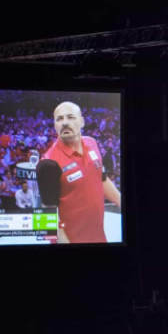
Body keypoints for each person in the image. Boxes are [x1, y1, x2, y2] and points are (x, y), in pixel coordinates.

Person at [34, 99, 121, 243]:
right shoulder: (48, 164)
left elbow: (101, 179)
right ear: (55, 125)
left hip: (97, 235)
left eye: (70, 117)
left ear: (81, 121)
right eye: (59, 119)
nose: (65, 123)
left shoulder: (92, 143)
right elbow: (47, 215)